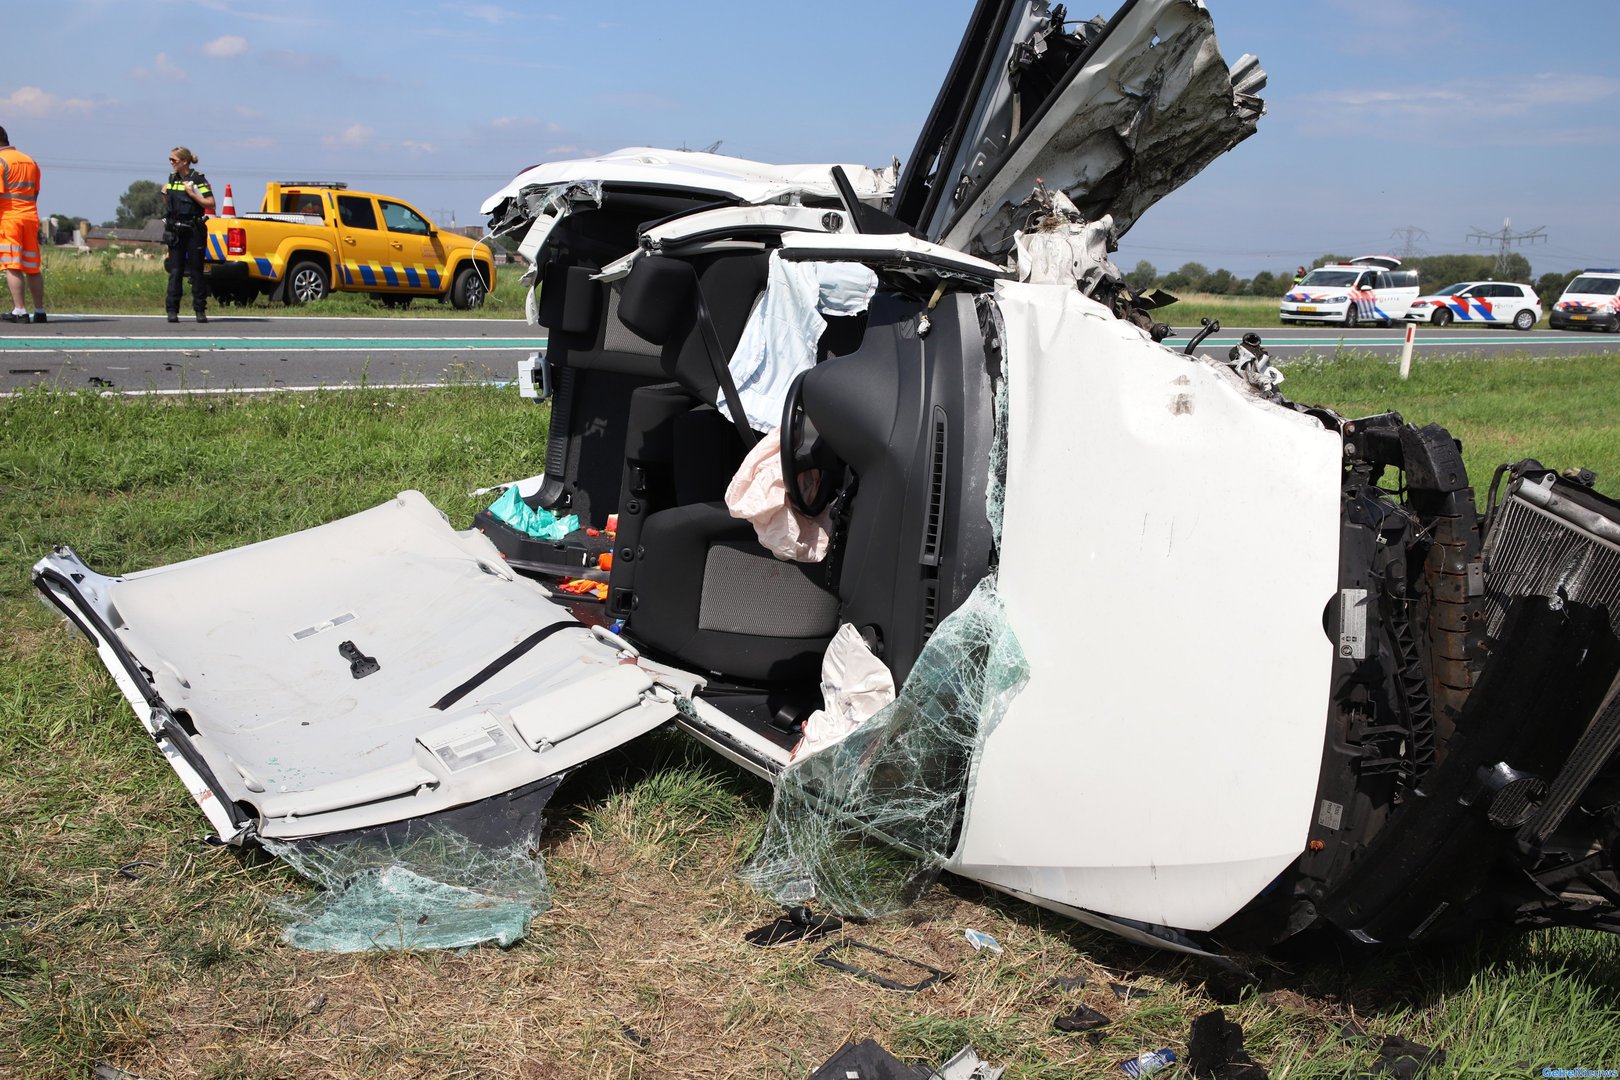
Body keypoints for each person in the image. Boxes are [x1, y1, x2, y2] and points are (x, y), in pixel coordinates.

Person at [0, 126, 47, 324]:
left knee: (12, 265)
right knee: (32, 267)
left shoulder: (1, 162)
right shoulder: (31, 161)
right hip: (30, 217)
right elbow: (35, 193)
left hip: (9, 218)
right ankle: (40, 311)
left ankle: (20, 310)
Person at [163, 146, 214, 323]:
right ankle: (172, 310)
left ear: (184, 161)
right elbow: (169, 204)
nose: (171, 163)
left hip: (194, 230)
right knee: (175, 271)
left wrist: (192, 193)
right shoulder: (172, 178)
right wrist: (164, 193)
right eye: (170, 160)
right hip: (176, 229)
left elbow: (211, 203)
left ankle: (200, 310)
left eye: (174, 160)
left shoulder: (197, 179)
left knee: (196, 271)